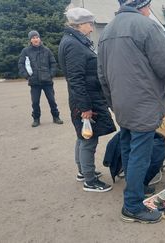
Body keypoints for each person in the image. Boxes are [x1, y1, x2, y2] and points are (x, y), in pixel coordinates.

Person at [97, 0, 165, 223]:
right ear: (143, 5)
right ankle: (132, 205)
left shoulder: (107, 31)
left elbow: (102, 74)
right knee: (140, 155)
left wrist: (112, 101)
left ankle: (134, 191)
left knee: (127, 147)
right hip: (142, 104)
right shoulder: (146, 26)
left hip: (122, 103)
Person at [58, 6, 116, 192]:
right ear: (79, 24)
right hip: (86, 100)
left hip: (85, 98)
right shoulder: (73, 45)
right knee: (88, 139)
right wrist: (85, 108)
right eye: (89, 24)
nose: (91, 28)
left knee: (83, 136)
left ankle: (83, 171)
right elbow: (76, 79)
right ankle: (90, 180)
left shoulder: (74, 41)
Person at [18, 30, 63, 127]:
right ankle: (36, 119)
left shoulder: (46, 50)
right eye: (33, 38)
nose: (36, 39)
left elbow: (53, 63)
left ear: (39, 38)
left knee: (52, 100)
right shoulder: (25, 51)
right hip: (34, 82)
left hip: (47, 81)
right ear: (30, 40)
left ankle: (56, 117)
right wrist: (26, 75)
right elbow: (21, 64)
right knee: (35, 102)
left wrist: (51, 74)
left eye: (37, 37)